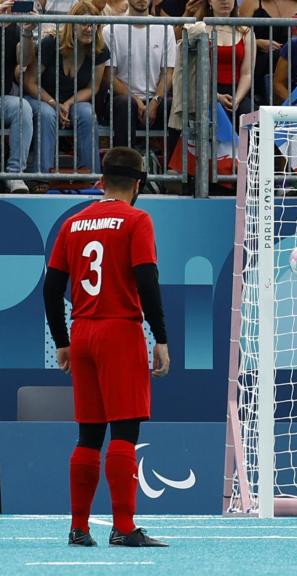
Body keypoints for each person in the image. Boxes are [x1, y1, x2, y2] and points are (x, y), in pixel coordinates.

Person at [43, 147, 170, 548]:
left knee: (88, 434)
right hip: (119, 331)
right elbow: (146, 281)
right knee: (124, 431)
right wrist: (161, 337)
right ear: (138, 184)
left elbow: (51, 289)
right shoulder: (137, 220)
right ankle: (124, 527)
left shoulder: (73, 223)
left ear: (101, 181)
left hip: (82, 332)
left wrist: (62, 342)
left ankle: (78, 527)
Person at [23, 0, 108, 176]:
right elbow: (30, 81)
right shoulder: (50, 43)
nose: (89, 29)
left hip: (73, 100)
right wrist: (54, 103)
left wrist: (67, 104)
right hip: (41, 97)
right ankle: (42, 176)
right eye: (84, 24)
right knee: (47, 114)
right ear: (71, 25)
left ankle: (91, 176)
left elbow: (93, 88)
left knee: (87, 114)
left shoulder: (99, 49)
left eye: (94, 25)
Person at [103, 0, 179, 152]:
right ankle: (124, 164)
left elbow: (168, 73)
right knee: (126, 104)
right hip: (121, 102)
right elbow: (109, 76)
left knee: (176, 107)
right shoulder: (111, 29)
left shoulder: (166, 28)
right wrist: (137, 101)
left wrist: (154, 102)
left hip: (156, 100)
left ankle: (174, 165)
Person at [0, 0, 34, 193]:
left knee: (22, 107)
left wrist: (27, 32)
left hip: (3, 99)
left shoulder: (13, 29)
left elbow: (24, 60)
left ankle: (14, 175)